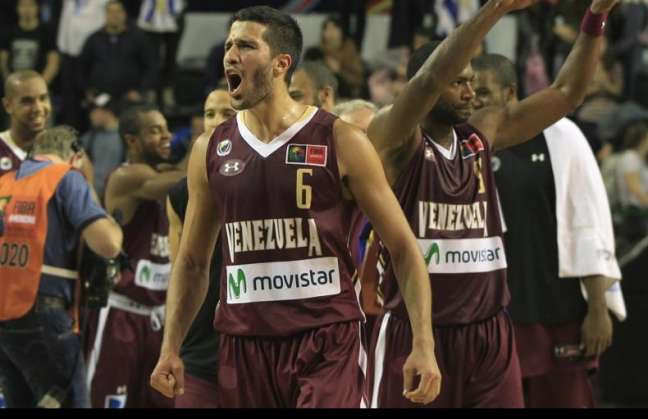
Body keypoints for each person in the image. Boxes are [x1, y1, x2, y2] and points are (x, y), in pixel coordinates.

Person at [150, 5, 440, 408]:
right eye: (230, 44)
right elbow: (194, 262)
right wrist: (171, 345)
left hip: (325, 337)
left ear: (280, 64)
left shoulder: (340, 140)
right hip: (243, 341)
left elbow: (405, 248)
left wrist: (423, 343)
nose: (230, 54)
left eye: (246, 46)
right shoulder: (210, 150)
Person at [365, 0, 618, 408]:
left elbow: (567, 93)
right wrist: (495, 9)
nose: (469, 93)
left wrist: (596, 16)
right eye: (459, 82)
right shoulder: (395, 137)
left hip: (490, 333)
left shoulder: (478, 134)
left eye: (472, 82)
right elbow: (429, 81)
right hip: (418, 333)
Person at [472, 53, 624, 408]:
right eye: (467, 90)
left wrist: (598, 308)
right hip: (495, 316)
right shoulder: (463, 145)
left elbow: (588, 221)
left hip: (559, 310)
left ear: (510, 93)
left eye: (483, 92)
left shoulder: (561, 134)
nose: (473, 100)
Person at [0, 126, 123, 408]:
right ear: (76, 155)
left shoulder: (5, 182)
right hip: (43, 313)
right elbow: (108, 244)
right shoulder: (66, 178)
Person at [86, 104, 184, 408]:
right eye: (155, 131)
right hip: (121, 314)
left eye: (167, 128)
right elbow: (175, 182)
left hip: (159, 320)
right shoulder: (126, 177)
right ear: (132, 141)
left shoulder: (165, 173)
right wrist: (215, 153)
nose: (166, 135)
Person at [167, 88, 234, 408]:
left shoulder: (267, 177)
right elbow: (180, 271)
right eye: (209, 114)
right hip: (198, 345)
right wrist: (171, 345)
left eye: (227, 114)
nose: (216, 122)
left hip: (253, 342)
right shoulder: (180, 194)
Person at [78, 0, 158, 105]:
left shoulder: (138, 38)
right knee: (99, 117)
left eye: (118, 11)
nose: (114, 15)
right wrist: (88, 91)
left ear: (125, 14)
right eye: (110, 12)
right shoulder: (94, 39)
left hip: (131, 97)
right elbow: (80, 69)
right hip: (101, 98)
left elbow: (151, 67)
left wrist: (140, 91)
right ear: (105, 15)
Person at [0, 70, 50, 177]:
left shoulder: (68, 153)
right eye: (27, 101)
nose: (38, 108)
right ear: (8, 105)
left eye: (43, 98)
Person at [0, 0, 60, 85]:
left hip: (39, 86)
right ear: (17, 8)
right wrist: (11, 85)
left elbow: (53, 64)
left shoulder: (47, 33)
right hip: (13, 85)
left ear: (38, 8)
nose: (26, 9)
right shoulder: (8, 32)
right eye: (23, 5)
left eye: (31, 5)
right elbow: (3, 63)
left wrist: (38, 86)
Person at [80, 93, 125, 200]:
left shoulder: (115, 140)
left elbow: (101, 180)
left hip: (101, 200)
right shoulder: (92, 135)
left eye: (94, 110)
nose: (91, 115)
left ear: (107, 113)